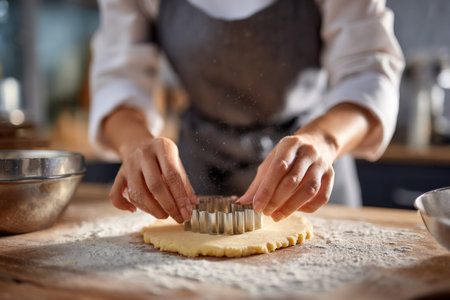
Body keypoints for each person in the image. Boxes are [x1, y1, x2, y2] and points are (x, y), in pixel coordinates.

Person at [89, 0, 404, 224]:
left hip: (308, 173)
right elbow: (119, 79)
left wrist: (323, 141)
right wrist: (135, 144)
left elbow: (367, 74)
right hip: (194, 174)